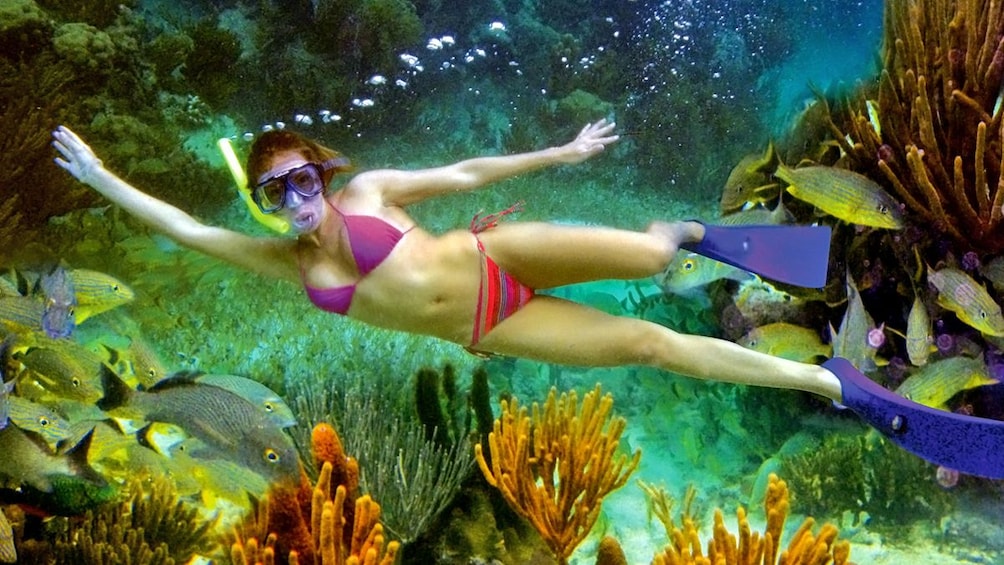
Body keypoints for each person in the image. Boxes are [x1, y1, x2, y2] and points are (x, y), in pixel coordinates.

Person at [51, 121, 843, 400]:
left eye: (300, 179)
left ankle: (688, 230)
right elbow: (187, 229)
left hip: (496, 252)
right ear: (261, 203)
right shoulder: (287, 264)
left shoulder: (367, 193)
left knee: (647, 254)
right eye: (273, 192)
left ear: (319, 175)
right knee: (651, 347)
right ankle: (823, 379)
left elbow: (463, 175)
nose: (293, 199)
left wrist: (560, 152)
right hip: (496, 324)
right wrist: (99, 178)